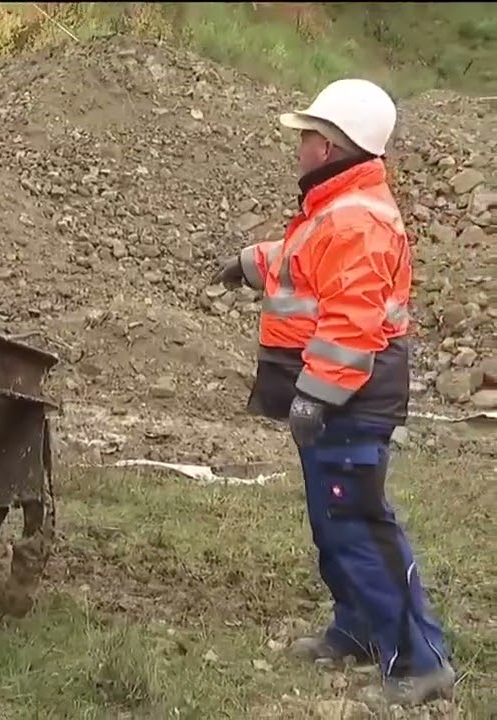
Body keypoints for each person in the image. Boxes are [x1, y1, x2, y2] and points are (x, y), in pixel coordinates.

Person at [210, 78, 455, 706]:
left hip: (348, 401)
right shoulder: (337, 209)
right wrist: (250, 262)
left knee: (359, 525)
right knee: (333, 521)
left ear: (332, 144)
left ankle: (420, 664)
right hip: (335, 399)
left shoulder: (354, 220)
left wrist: (315, 395)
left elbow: (352, 322)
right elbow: (305, 264)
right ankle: (357, 627)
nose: (300, 146)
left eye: (308, 136)